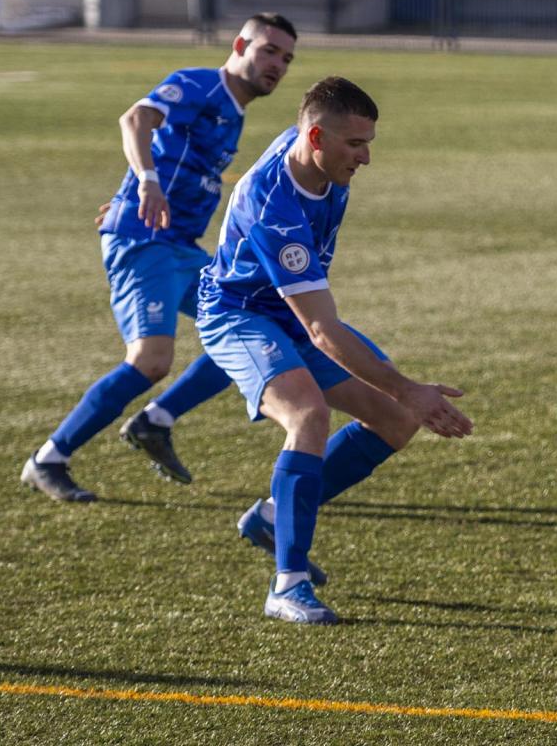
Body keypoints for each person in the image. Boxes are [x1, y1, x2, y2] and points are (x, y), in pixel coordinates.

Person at [198, 77, 474, 625]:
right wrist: (408, 387)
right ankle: (287, 585)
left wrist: (404, 399)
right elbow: (323, 330)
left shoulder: (314, 152)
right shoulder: (274, 206)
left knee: (395, 420)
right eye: (355, 144)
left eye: (369, 142)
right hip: (240, 314)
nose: (366, 157)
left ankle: (276, 517)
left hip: (291, 312)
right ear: (318, 137)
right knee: (308, 414)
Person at [20, 15, 298, 503]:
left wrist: (137, 188)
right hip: (145, 240)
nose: (277, 64)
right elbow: (136, 119)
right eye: (270, 50)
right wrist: (144, 183)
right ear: (240, 45)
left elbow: (178, 164)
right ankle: (48, 459)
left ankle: (156, 420)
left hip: (180, 247)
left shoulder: (233, 112)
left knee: (248, 326)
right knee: (151, 359)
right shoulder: (201, 84)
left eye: (287, 58)